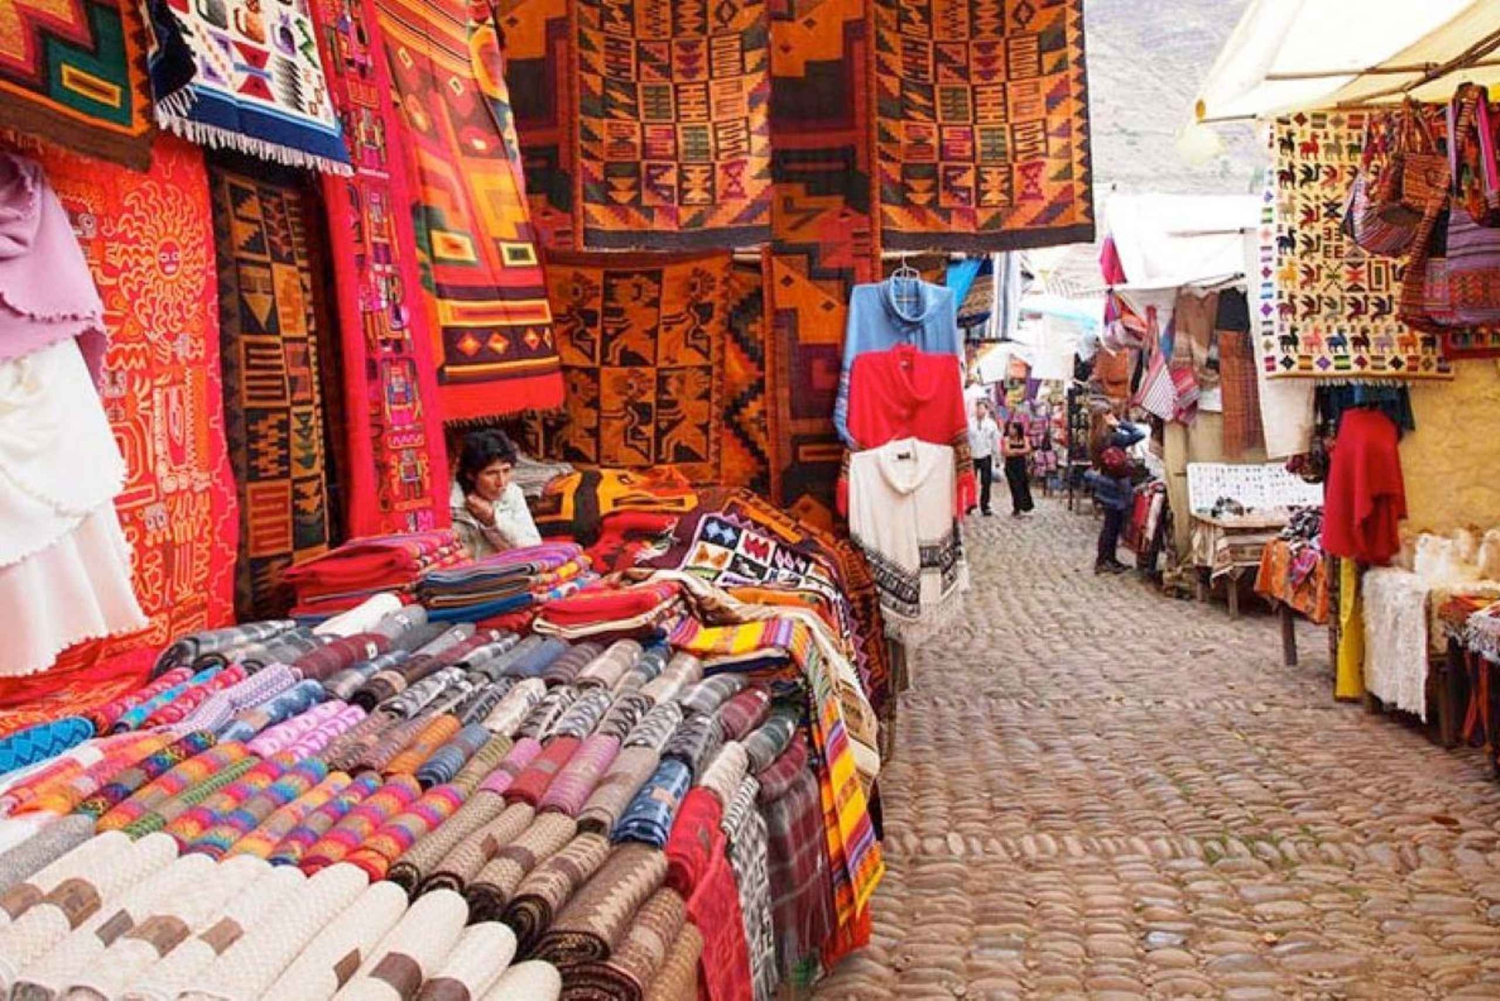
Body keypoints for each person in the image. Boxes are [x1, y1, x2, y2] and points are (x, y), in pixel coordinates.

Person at [451, 429, 541, 558]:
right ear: (470, 474)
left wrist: (492, 519)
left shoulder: (512, 493)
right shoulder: (452, 502)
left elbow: (533, 548)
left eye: (506, 471)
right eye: (491, 473)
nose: (501, 482)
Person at [1083, 408, 1145, 574]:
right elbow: (1139, 434)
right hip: (1115, 483)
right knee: (1112, 525)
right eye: (1108, 414)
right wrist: (1120, 424)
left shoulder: (1096, 437)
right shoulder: (1112, 437)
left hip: (1105, 482)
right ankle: (1105, 560)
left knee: (1110, 524)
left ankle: (1107, 558)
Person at [968, 400, 1001, 516]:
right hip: (972, 455)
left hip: (986, 455)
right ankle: (970, 503)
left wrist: (997, 457)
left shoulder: (991, 424)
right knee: (971, 481)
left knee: (986, 482)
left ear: (986, 410)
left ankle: (985, 505)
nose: (979, 411)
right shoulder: (969, 422)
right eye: (977, 408)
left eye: (981, 408)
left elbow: (996, 441)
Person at [1001, 420, 1035, 516]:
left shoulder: (1024, 439)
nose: (1010, 430)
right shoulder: (1006, 439)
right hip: (1010, 466)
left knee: (1022, 485)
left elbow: (1028, 449)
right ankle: (1016, 506)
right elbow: (1006, 452)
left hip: (1021, 465)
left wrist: (1015, 451)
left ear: (1017, 429)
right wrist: (1020, 451)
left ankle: (1024, 505)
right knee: (1014, 486)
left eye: (1012, 428)